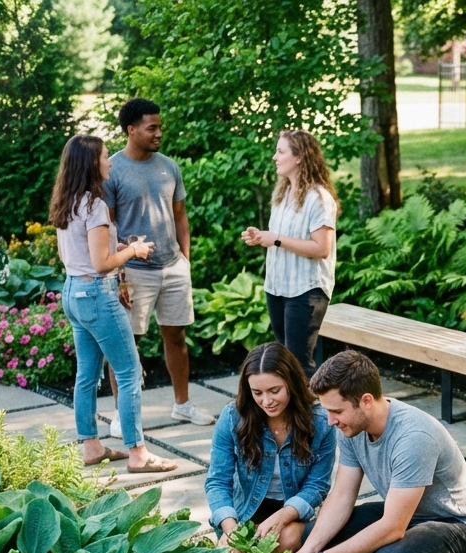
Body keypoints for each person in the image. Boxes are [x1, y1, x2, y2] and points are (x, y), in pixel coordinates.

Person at [280, 351, 466, 553]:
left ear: (366, 400)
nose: (330, 420)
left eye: (336, 411)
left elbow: (392, 528)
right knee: (316, 534)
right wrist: (308, 552)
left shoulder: (414, 436)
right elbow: (341, 496)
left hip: (457, 524)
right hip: (409, 515)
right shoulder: (351, 428)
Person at [49, 134, 179, 474]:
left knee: (86, 375)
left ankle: (91, 447)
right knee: (129, 372)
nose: (109, 162)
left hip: (73, 292)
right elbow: (101, 263)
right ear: (91, 164)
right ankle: (138, 453)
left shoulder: (68, 201)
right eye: (105, 157)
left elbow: (76, 252)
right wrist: (133, 250)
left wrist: (116, 245)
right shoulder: (94, 205)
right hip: (97, 294)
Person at [104, 97, 215, 438]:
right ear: (131, 130)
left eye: (159, 127)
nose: (158, 133)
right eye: (151, 128)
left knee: (177, 337)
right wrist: (118, 275)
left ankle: (182, 404)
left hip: (173, 267)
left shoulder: (169, 167)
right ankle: (122, 414)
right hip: (133, 271)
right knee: (126, 344)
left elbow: (180, 215)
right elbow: (107, 227)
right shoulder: (112, 170)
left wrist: (186, 260)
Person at [206, 342, 335, 553]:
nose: (267, 401)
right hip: (246, 511)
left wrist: (283, 517)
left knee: (286, 541)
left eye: (275, 391)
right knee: (242, 550)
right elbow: (218, 481)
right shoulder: (232, 417)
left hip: (293, 511)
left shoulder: (321, 422)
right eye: (257, 392)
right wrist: (230, 529)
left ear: (291, 383)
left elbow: (317, 485)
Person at [241, 130, 338, 376]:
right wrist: (260, 237)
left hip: (306, 291)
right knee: (286, 363)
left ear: (299, 157)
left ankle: (311, 402)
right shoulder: (282, 194)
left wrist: (275, 239)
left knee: (300, 366)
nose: (274, 157)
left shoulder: (319, 198)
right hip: (277, 287)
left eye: (280, 151)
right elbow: (281, 239)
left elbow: (321, 248)